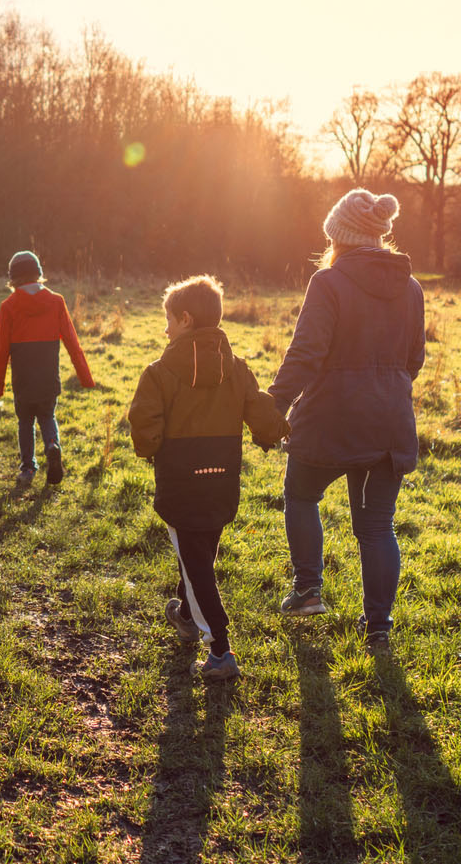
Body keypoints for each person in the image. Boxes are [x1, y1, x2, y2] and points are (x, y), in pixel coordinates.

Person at [267, 189, 426, 657]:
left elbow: (306, 353)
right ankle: (378, 629)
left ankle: (308, 590)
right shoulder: (411, 288)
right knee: (377, 526)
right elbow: (414, 360)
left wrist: (275, 405)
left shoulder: (328, 282)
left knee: (301, 495)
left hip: (330, 420)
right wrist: (384, 389)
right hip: (390, 423)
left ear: (338, 236)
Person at [127, 275, 289, 681]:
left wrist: (149, 447)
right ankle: (185, 616)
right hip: (222, 479)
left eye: (168, 320)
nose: (165, 330)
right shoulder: (237, 369)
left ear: (185, 319)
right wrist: (278, 431)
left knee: (196, 564)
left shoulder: (159, 373)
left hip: (180, 481)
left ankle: (219, 649)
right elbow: (261, 413)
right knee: (200, 554)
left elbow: (145, 427)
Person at [0, 250, 95, 486]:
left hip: (23, 380)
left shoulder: (8, 306)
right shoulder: (56, 301)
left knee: (25, 422)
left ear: (13, 278)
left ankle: (28, 468)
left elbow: (1, 351)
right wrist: (85, 378)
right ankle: (52, 445)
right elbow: (73, 343)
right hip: (48, 377)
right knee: (47, 416)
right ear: (38, 273)